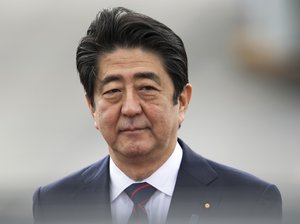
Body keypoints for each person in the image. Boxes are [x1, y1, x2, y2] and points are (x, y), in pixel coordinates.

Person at [32, 7, 282, 224]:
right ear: (92, 108)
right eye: (113, 91)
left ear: (182, 101)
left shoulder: (249, 202)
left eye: (147, 89)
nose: (130, 108)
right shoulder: (55, 204)